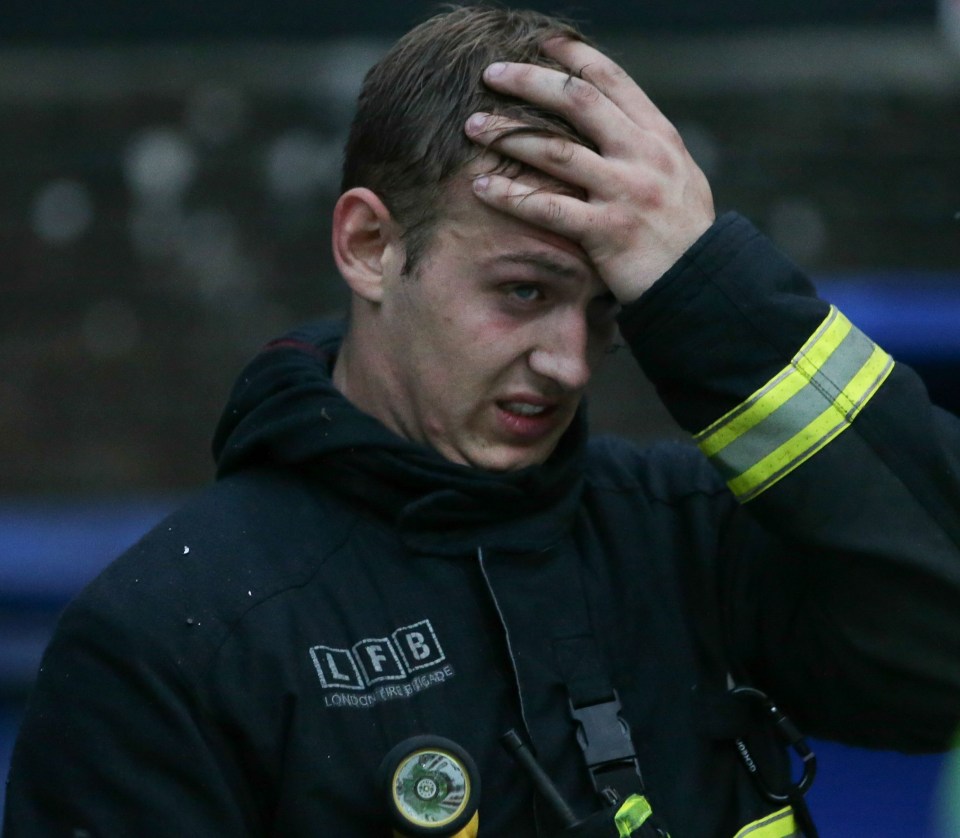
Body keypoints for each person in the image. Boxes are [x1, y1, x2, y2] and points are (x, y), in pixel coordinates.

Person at [5, 6, 960, 837]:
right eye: (522, 291)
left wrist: (712, 294)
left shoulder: (688, 539)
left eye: (605, 311)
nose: (570, 361)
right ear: (370, 246)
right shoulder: (171, 643)